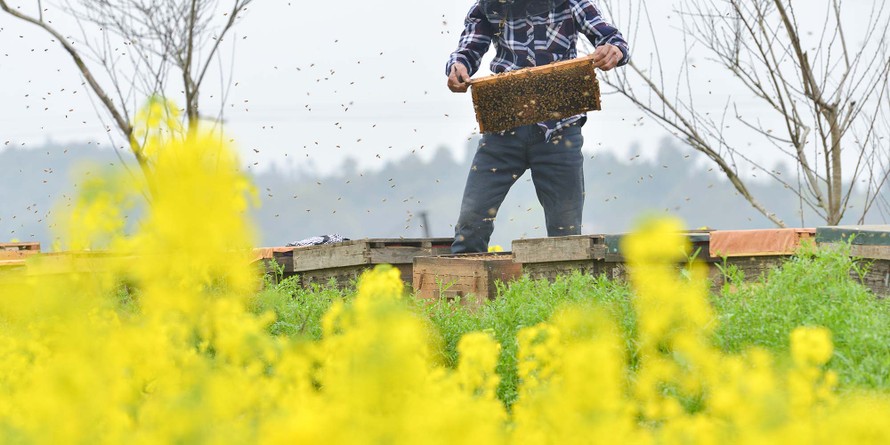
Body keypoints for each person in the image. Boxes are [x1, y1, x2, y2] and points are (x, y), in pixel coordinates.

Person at [446, 0, 629, 253]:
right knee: (471, 223)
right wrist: (459, 67)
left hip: (559, 133)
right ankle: (462, 290)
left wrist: (613, 51)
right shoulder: (488, 6)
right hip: (502, 132)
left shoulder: (572, 3)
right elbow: (468, 49)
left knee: (566, 238)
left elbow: (611, 38)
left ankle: (565, 292)